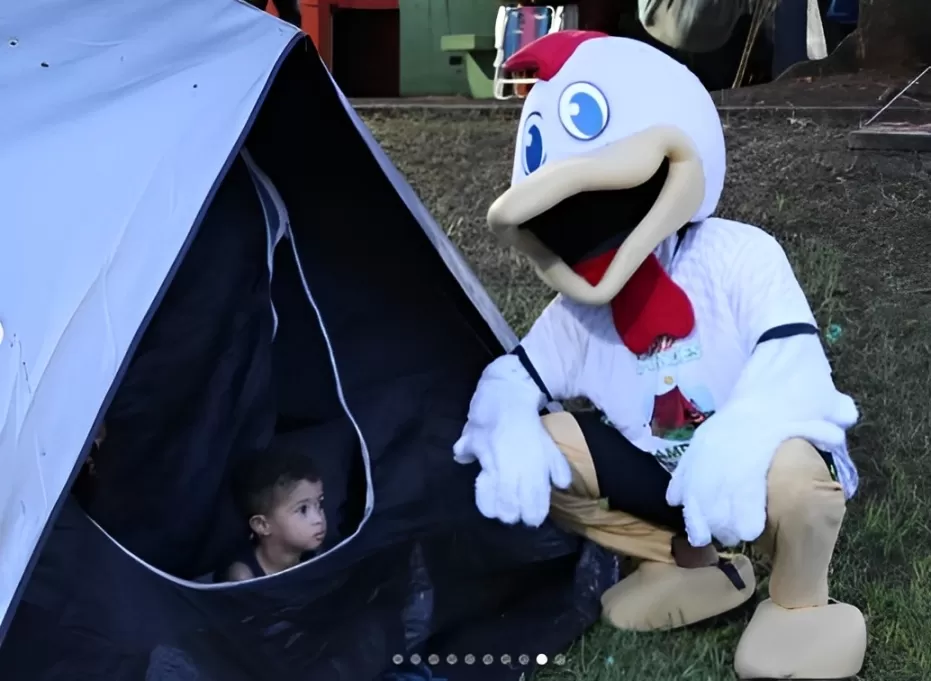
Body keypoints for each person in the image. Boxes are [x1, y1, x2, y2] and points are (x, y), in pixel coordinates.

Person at [222, 443, 327, 582]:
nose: (319, 519)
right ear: (262, 525)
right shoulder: (243, 576)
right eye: (303, 509)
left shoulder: (315, 555)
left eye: (319, 504)